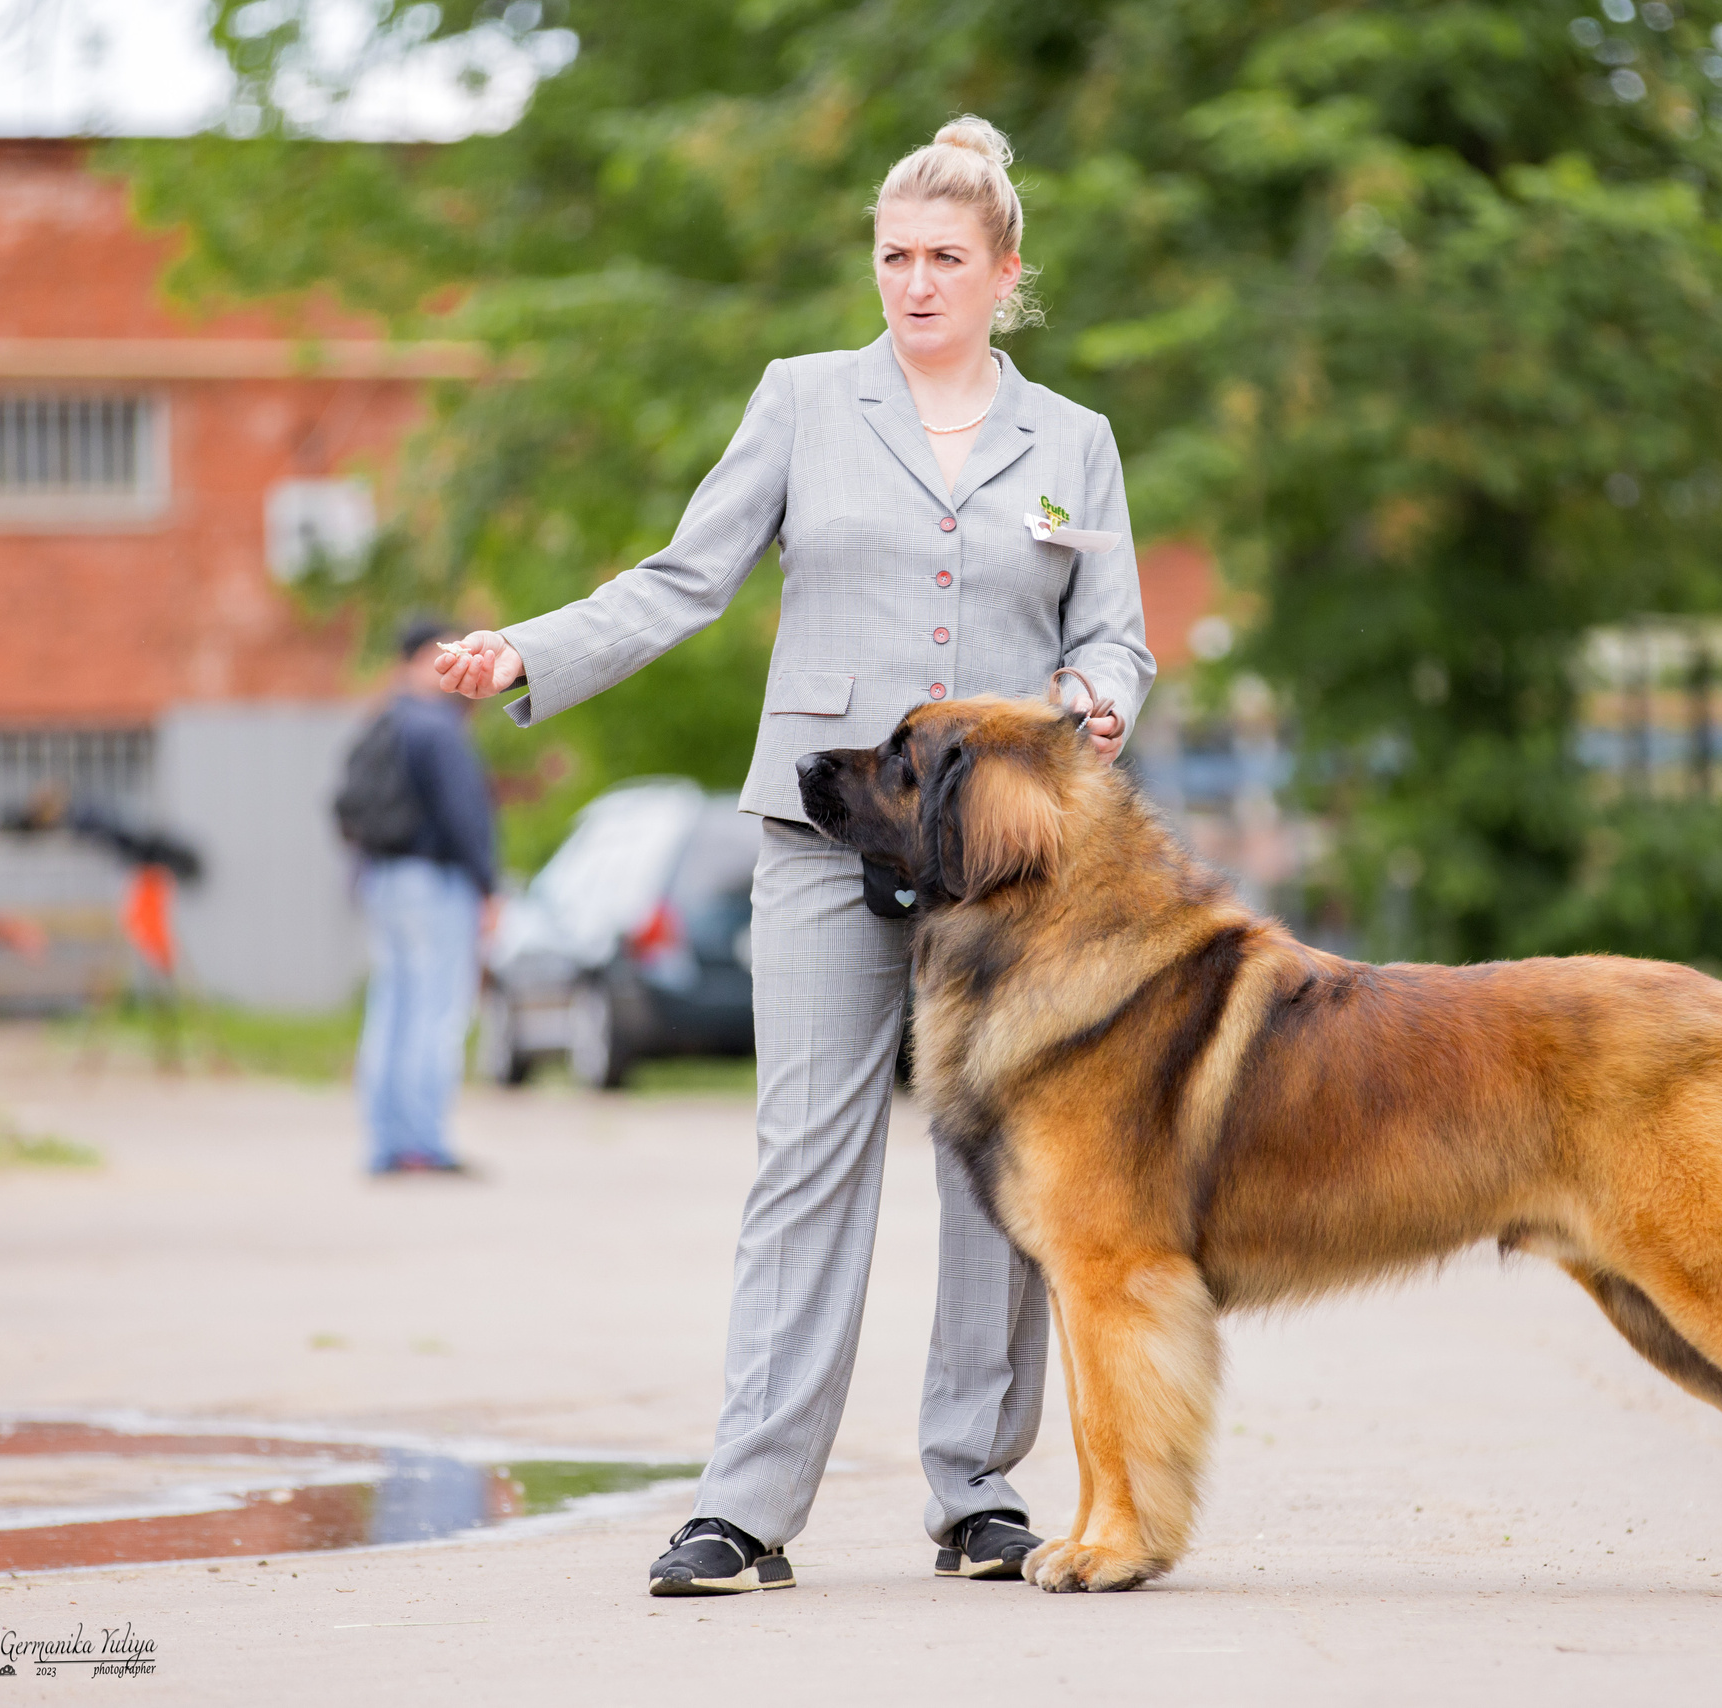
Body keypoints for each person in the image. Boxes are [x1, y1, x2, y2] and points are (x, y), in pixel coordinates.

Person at [433, 116, 1155, 1594]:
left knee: (996, 1175)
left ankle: (979, 1491)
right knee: (805, 1165)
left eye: (946, 258)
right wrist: (530, 649)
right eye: (894, 256)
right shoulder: (805, 402)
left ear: (1006, 272)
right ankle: (745, 1508)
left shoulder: (1072, 440)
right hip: (822, 828)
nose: (915, 281)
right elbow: (684, 577)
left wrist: (1103, 694)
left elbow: (1115, 630)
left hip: (1001, 867)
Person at [354, 617, 503, 1177]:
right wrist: (488, 887)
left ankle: (387, 1142)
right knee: (437, 1011)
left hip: (384, 880)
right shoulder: (438, 727)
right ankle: (425, 1144)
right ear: (421, 659)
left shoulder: (383, 721)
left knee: (391, 1009)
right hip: (435, 882)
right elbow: (467, 816)